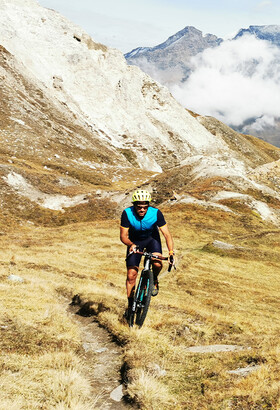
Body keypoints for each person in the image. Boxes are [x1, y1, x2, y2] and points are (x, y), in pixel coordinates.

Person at [120, 189, 174, 317]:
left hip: (152, 240)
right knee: (131, 274)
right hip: (134, 242)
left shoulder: (156, 213)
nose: (142, 210)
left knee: (157, 264)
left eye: (145, 207)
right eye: (139, 207)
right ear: (134, 205)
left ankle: (153, 279)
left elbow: (167, 234)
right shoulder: (127, 213)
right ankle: (130, 305)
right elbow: (123, 236)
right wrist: (131, 245)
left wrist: (171, 252)